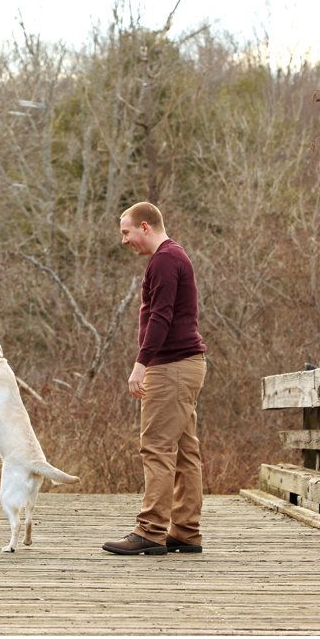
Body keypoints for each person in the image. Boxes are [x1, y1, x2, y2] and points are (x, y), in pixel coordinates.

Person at [103, 201, 207, 556]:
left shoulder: (164, 260)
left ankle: (150, 530)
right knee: (184, 452)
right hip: (187, 364)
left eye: (126, 232)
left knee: (158, 448)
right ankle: (185, 530)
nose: (124, 240)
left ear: (145, 227)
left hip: (171, 366)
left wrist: (141, 364)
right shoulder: (174, 256)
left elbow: (161, 317)